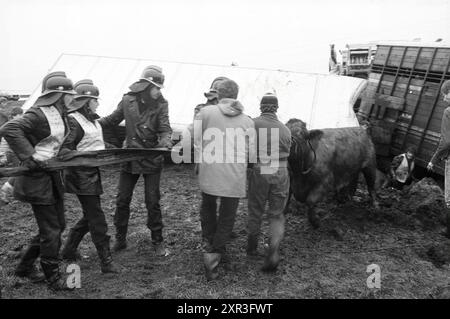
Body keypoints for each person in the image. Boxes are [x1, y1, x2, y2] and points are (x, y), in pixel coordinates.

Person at [0, 71, 76, 290]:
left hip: (52, 178)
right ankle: (53, 278)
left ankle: (24, 267)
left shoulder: (59, 113)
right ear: (58, 95)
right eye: (69, 95)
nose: (72, 98)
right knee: (52, 230)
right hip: (37, 180)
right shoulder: (39, 114)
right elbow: (9, 128)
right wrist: (30, 155)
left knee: (56, 225)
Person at [99, 66, 173, 255]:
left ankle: (157, 240)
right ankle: (120, 239)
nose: (159, 91)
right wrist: (88, 123)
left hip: (150, 157)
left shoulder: (162, 104)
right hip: (130, 157)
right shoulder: (127, 100)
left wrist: (165, 140)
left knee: (152, 201)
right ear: (146, 86)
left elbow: (165, 127)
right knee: (122, 200)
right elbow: (111, 120)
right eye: (156, 87)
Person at [193, 78, 255, 280]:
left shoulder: (205, 113)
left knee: (208, 206)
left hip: (210, 170)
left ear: (218, 94)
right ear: (236, 95)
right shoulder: (247, 121)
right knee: (228, 215)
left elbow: (196, 139)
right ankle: (217, 252)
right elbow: (252, 153)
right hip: (234, 174)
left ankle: (209, 240)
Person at [59, 79, 119, 273]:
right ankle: (106, 261)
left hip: (91, 173)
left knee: (89, 215)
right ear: (86, 101)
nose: (98, 103)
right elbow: (65, 151)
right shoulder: (73, 120)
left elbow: (95, 143)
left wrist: (115, 150)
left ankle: (68, 250)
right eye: (95, 100)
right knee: (97, 218)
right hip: (80, 175)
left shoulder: (92, 121)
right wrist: (88, 157)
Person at [247, 93, 291, 272]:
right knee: (277, 214)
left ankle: (251, 248)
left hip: (262, 168)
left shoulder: (253, 124)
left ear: (261, 107)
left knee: (255, 210)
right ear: (277, 108)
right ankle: (273, 251)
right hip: (281, 170)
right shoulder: (286, 130)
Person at [427, 79, 450, 238]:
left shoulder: (448, 112)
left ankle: (448, 233)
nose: (444, 98)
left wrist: (434, 159)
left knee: (449, 198)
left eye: (445, 94)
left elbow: (447, 141)